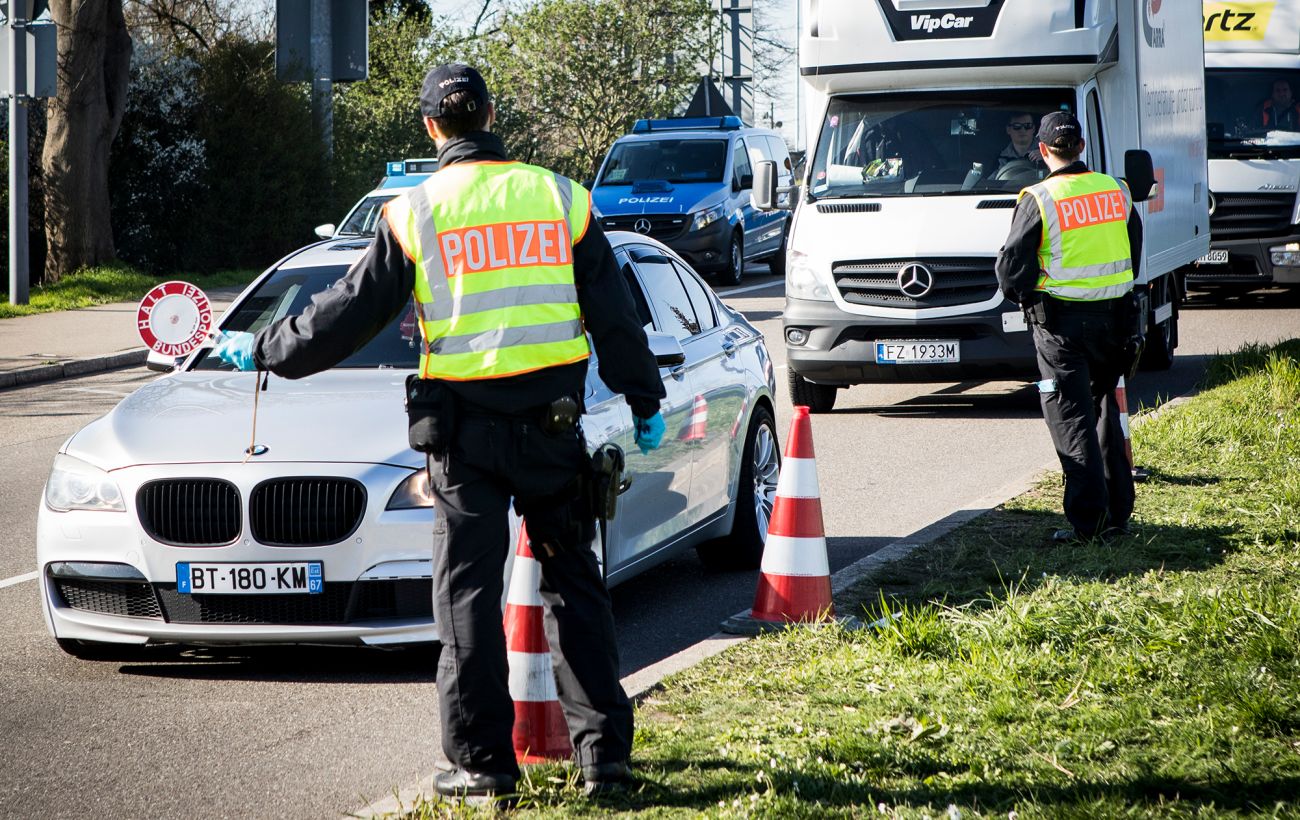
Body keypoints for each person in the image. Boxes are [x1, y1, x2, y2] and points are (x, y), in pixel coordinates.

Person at [213, 64, 667, 803]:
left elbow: (345, 314)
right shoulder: (562, 199)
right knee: (575, 590)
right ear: (492, 114)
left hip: (464, 440)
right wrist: (643, 398)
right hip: (553, 434)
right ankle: (603, 764)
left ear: (430, 128)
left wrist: (266, 347)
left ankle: (484, 769)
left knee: (466, 601)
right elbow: (614, 316)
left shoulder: (414, 212)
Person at [995, 111, 1143, 542]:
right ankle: (1117, 515)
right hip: (1115, 322)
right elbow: (1132, 251)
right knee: (1103, 413)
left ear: (1042, 151)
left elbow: (1010, 271)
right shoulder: (1116, 191)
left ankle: (1087, 523)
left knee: (1071, 418)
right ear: (1081, 146)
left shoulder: (1039, 197)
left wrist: (1028, 296)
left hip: (1061, 328)